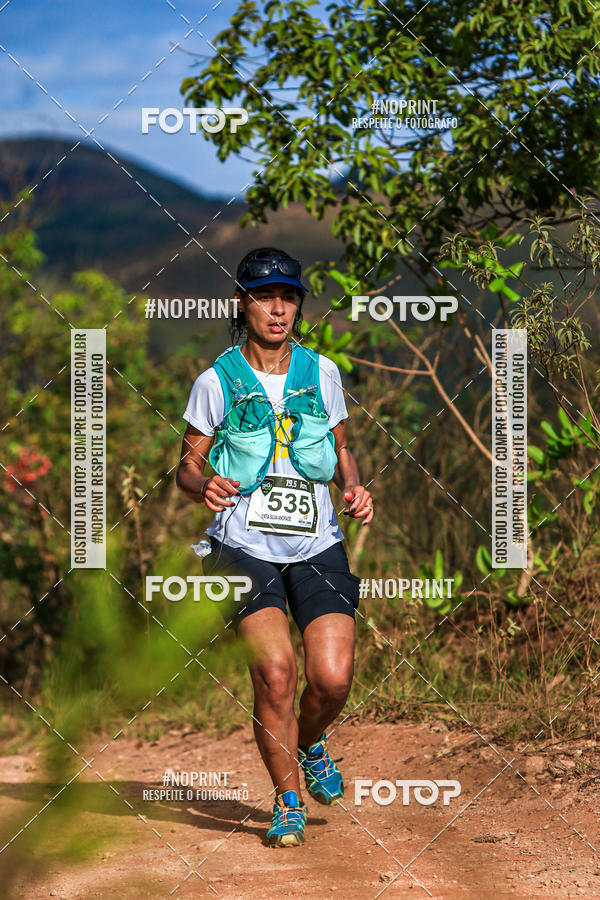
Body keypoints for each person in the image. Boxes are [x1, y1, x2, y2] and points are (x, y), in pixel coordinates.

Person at [176, 247, 374, 847]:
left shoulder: (323, 373)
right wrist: (202, 482)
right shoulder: (217, 380)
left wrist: (355, 485)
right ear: (244, 303)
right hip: (242, 546)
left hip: (317, 543)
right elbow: (186, 464)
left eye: (289, 297)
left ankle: (310, 742)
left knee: (333, 679)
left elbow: (340, 448)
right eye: (266, 297)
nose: (279, 309)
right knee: (276, 674)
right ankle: (287, 801)